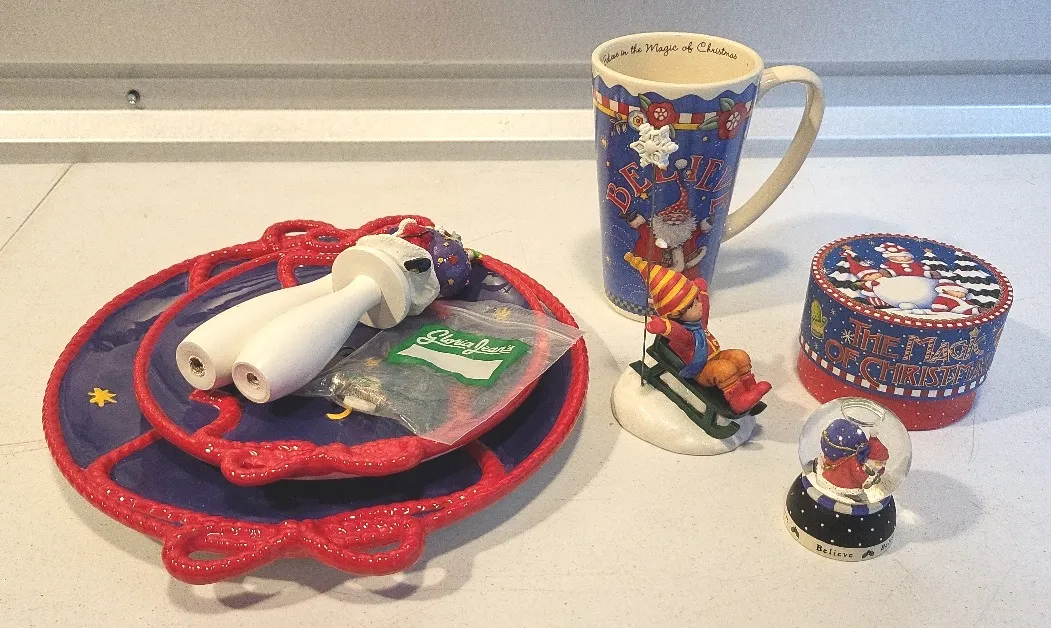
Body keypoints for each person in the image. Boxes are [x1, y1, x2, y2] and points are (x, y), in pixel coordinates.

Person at [625, 253, 771, 414]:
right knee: (725, 369)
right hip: (702, 370)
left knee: (739, 356)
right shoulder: (688, 335)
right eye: (692, 305)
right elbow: (677, 333)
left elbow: (705, 309)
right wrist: (664, 326)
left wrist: (703, 293)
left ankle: (749, 389)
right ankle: (738, 401)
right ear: (676, 313)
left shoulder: (698, 322)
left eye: (696, 300)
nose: (698, 305)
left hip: (717, 355)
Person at [819, 418, 889, 491]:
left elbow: (879, 470)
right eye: (879, 463)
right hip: (845, 483)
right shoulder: (854, 460)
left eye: (884, 462)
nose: (883, 465)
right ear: (869, 458)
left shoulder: (867, 461)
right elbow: (858, 473)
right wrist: (867, 479)